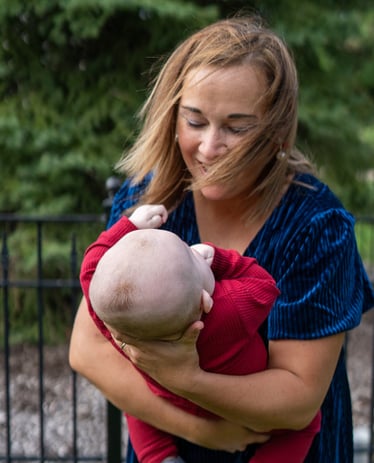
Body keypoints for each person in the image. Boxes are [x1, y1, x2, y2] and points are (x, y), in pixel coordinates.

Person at [69, 14, 374, 463]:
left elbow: (298, 398)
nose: (210, 147)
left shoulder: (316, 226)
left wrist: (186, 378)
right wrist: (198, 430)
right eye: (195, 120)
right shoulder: (148, 201)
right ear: (172, 117)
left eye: (237, 127)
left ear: (276, 131)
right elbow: (87, 350)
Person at [80, 203, 321, 463]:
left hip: (166, 397)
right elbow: (264, 286)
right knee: (306, 425)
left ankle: (157, 455)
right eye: (189, 252)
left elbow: (90, 269)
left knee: (136, 404)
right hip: (238, 408)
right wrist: (219, 259)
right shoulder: (226, 310)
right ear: (203, 301)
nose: (193, 247)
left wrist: (129, 226)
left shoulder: (117, 325)